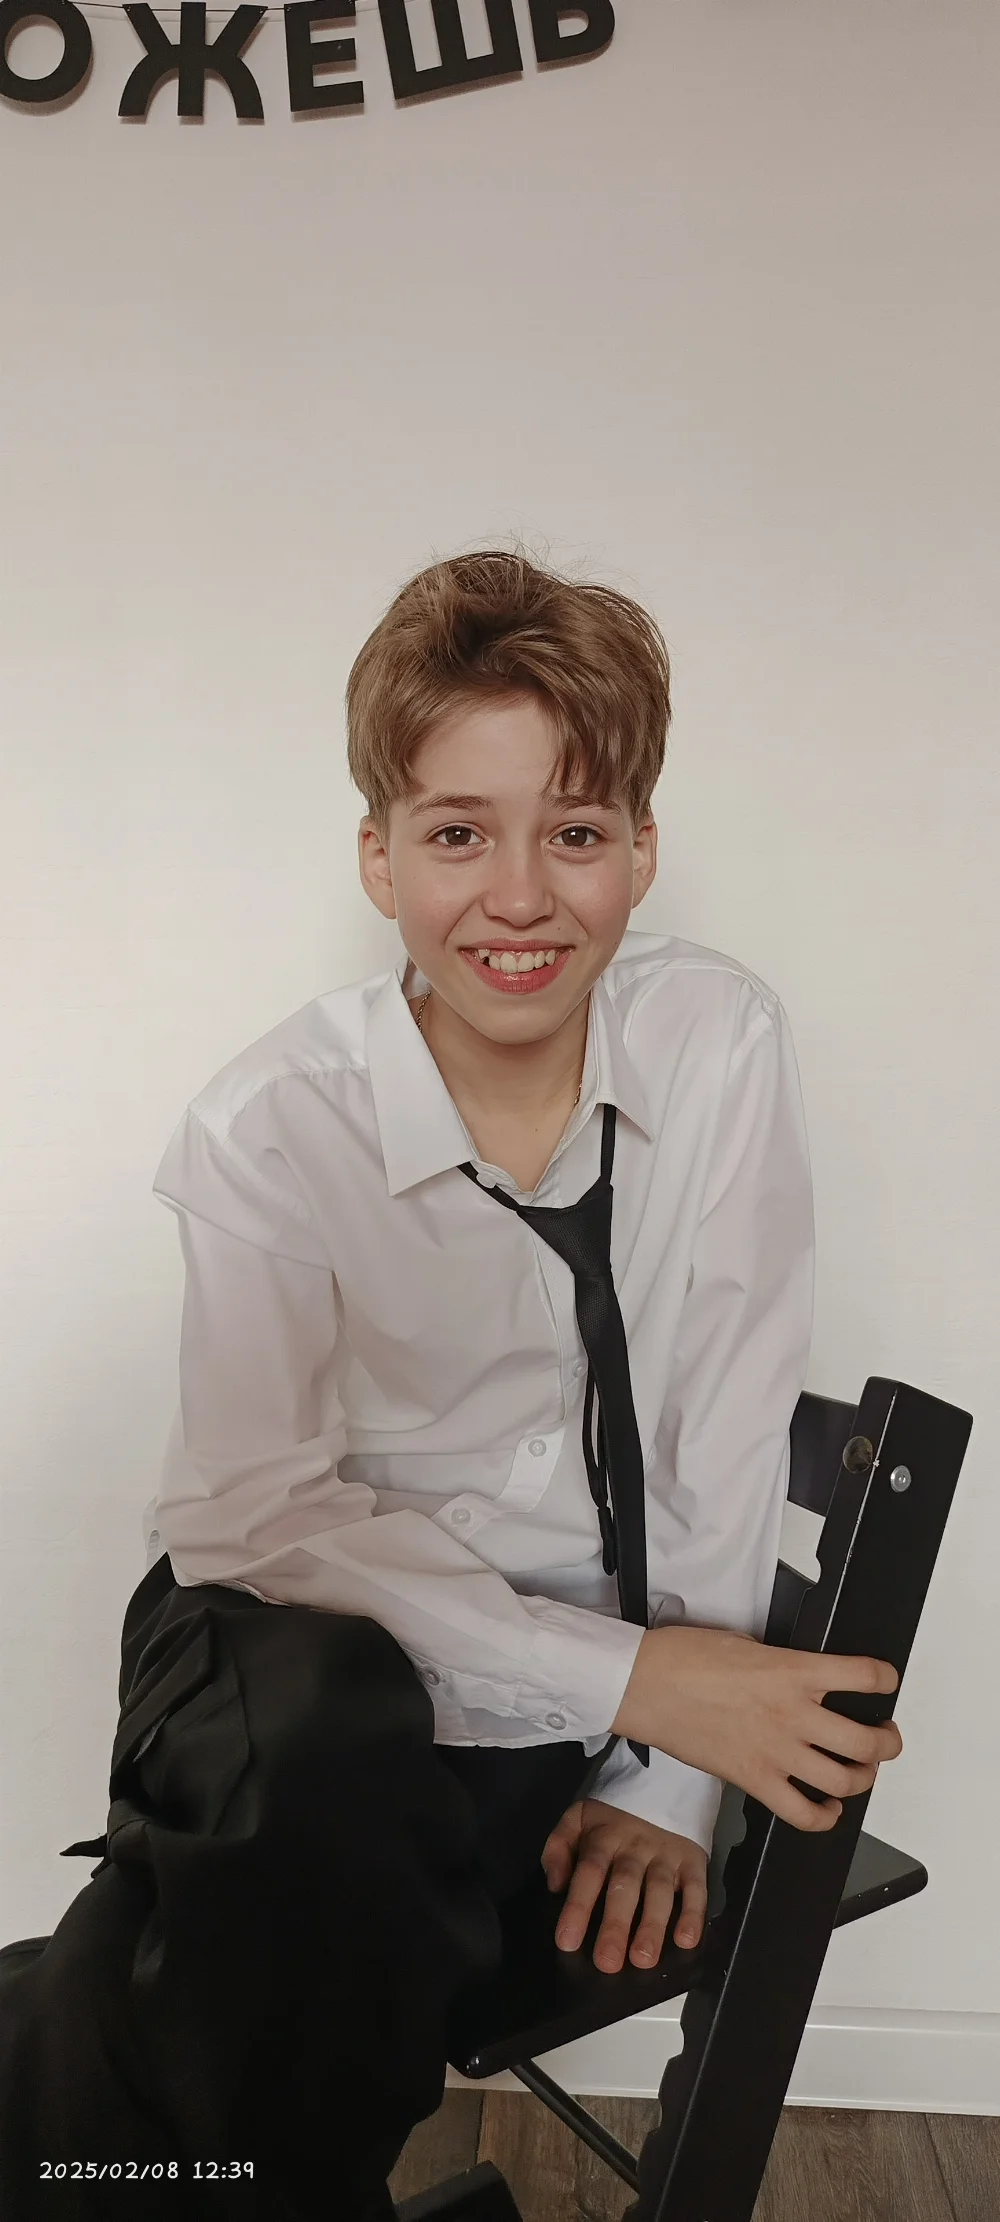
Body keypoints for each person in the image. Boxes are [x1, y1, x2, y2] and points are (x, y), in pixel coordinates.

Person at [0, 549, 902, 2220]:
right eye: (458, 832)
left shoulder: (718, 1046)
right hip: (274, 1653)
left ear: (642, 848)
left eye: (576, 832)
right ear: (380, 855)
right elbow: (255, 1520)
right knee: (331, 1735)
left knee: (228, 1931)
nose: (520, 897)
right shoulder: (274, 1125)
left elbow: (719, 1417)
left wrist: (664, 1776)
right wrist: (639, 1678)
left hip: (509, 1744)